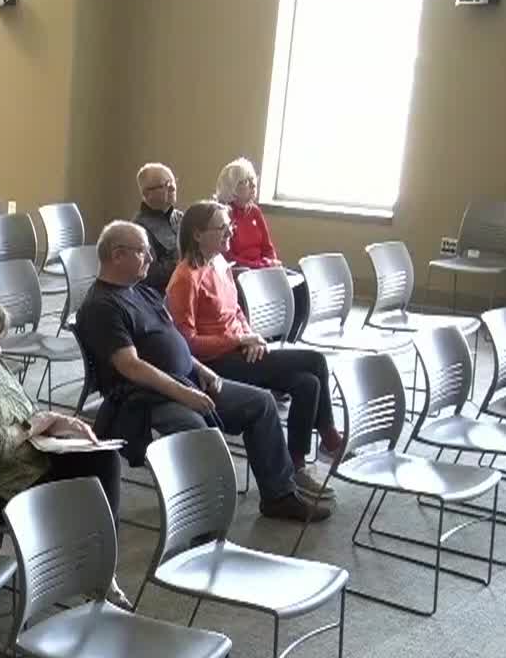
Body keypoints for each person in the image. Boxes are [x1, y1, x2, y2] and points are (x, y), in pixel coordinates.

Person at [75, 222, 330, 523]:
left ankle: (279, 495)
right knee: (198, 428)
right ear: (118, 255)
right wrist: (186, 394)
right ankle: (201, 514)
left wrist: (200, 368)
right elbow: (132, 367)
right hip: (146, 397)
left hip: (187, 379)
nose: (151, 259)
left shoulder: (140, 291)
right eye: (143, 252)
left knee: (262, 403)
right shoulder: (101, 307)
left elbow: (172, 339)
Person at [166, 201, 341, 495]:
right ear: (197, 234)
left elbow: (236, 312)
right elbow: (187, 344)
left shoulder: (220, 263)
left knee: (307, 384)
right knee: (315, 361)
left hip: (241, 352)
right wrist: (239, 341)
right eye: (221, 228)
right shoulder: (185, 278)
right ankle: (330, 438)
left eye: (228, 227)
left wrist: (251, 336)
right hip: (216, 363)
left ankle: (296, 465)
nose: (229, 234)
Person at [0, 291, 125, 530]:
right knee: (80, 501)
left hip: (31, 462)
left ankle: (100, 553)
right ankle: (86, 553)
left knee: (104, 458)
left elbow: (25, 409)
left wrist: (56, 422)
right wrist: (32, 427)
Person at [216, 156, 308, 341]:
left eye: (253, 180)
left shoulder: (255, 211)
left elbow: (267, 246)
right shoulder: (223, 214)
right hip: (242, 272)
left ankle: (287, 339)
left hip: (263, 267)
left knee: (300, 285)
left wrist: (271, 262)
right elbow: (228, 256)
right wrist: (262, 265)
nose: (252, 185)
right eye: (245, 182)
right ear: (231, 188)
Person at [133, 163, 182, 291]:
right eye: (165, 185)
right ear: (146, 194)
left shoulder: (180, 217)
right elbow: (151, 275)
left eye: (173, 182)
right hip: (163, 296)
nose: (172, 188)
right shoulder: (139, 229)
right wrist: (184, 262)